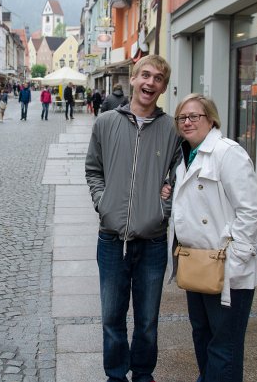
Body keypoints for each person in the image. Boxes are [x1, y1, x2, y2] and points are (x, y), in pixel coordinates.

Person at [85, 54, 182, 382]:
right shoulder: (106, 122)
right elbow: (93, 169)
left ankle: (142, 374)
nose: (149, 83)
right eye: (145, 75)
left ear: (163, 87)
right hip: (111, 239)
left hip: (152, 242)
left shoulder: (171, 129)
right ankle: (115, 375)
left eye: (157, 78)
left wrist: (163, 208)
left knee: (148, 320)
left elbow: (180, 174)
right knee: (112, 318)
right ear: (133, 79)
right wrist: (103, 203)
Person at [167, 94, 257, 382]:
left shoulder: (227, 152)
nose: (187, 122)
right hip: (196, 264)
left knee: (225, 345)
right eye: (181, 117)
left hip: (225, 266)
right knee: (202, 335)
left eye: (194, 116)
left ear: (211, 119)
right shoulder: (185, 155)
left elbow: (250, 210)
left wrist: (236, 257)